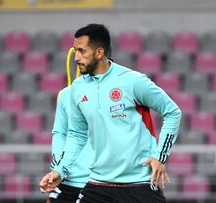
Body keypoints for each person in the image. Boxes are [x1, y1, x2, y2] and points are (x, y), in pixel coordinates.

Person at [39, 23, 181, 203]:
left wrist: (160, 156)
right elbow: (76, 135)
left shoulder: (132, 81)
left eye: (82, 51)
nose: (76, 57)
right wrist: (59, 171)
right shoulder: (77, 88)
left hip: (139, 183)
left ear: (99, 53)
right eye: (75, 50)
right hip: (98, 183)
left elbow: (172, 112)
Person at [39, 59, 91, 203]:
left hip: (96, 182)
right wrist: (58, 168)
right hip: (67, 179)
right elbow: (60, 132)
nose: (78, 57)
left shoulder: (110, 94)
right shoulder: (65, 94)